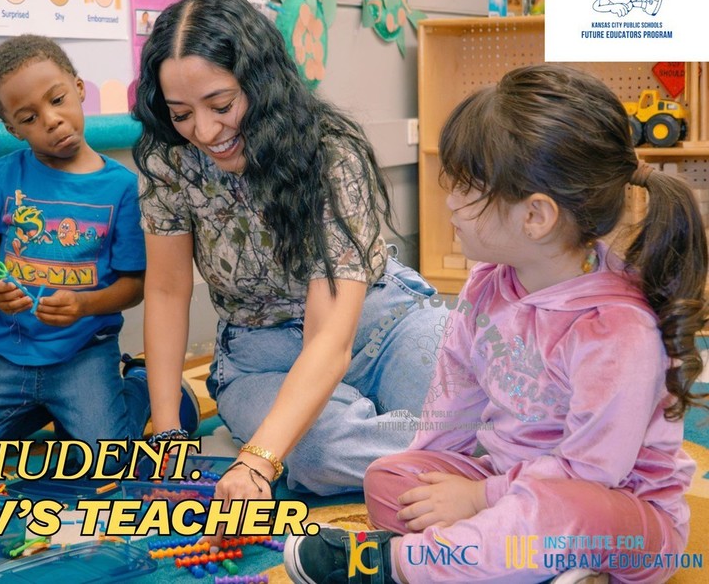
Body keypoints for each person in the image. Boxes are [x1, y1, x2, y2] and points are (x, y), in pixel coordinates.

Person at [283, 64, 707, 583]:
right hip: (508, 481)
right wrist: (440, 479)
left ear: (536, 216)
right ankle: (504, 562)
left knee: (555, 513)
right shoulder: (488, 282)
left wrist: (479, 497)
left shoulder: (616, 328)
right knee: (392, 478)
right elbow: (452, 403)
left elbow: (591, 474)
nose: (451, 204)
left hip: (616, 513)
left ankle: (394, 566)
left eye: (466, 188)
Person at [132, 0, 443, 500]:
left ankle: (450, 445)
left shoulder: (330, 151)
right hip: (262, 357)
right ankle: (463, 456)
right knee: (318, 451)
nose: (205, 131)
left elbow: (331, 339)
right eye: (181, 113)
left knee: (487, 400)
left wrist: (255, 461)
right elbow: (166, 292)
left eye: (222, 105)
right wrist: (168, 438)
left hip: (381, 325)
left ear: (262, 83)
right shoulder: (169, 159)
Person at [0, 35, 198, 459]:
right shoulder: (2, 179)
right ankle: (43, 411)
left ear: (79, 89)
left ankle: (135, 386)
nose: (51, 120)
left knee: (105, 463)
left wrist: (84, 306)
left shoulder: (121, 188)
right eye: (28, 117)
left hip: (84, 354)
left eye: (58, 99)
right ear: (12, 128)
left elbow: (134, 287)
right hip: (7, 358)